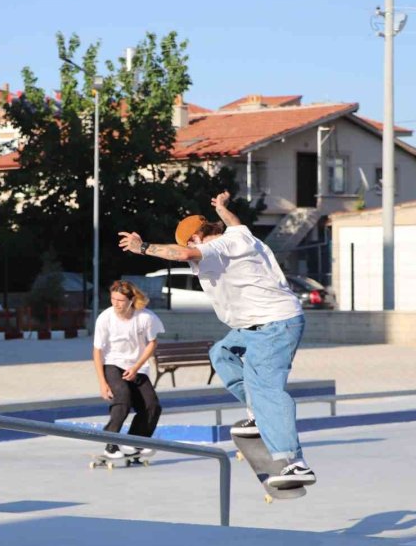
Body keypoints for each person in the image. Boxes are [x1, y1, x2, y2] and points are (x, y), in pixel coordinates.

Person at [118, 191, 315, 489]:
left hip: (274, 326)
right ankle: (258, 412)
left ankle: (294, 462)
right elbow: (234, 221)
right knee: (221, 353)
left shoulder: (223, 245)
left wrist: (142, 247)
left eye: (191, 244)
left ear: (197, 238)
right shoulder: (238, 233)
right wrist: (222, 208)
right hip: (253, 328)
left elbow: (184, 254)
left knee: (267, 390)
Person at [93, 280, 165, 459]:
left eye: (120, 300)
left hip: (137, 366)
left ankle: (135, 441)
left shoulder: (145, 317)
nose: (116, 304)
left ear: (131, 300)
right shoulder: (105, 318)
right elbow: (97, 351)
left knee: (152, 406)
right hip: (113, 363)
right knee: (123, 400)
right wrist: (102, 383)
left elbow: (152, 343)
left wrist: (136, 367)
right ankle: (110, 444)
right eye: (113, 299)